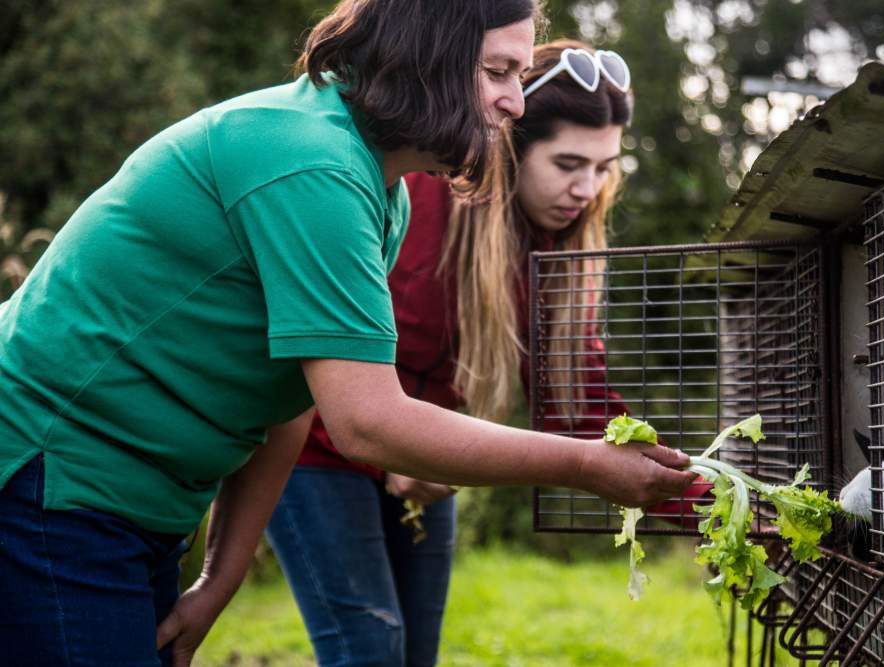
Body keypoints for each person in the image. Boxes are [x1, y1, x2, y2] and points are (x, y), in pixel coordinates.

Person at [0, 2, 695, 665]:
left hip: (134, 507)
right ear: (428, 57)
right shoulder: (316, 164)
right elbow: (364, 421)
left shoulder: (377, 188)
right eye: (498, 72)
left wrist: (219, 578)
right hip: (52, 478)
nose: (515, 102)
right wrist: (582, 465)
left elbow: (290, 400)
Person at [267, 40, 705, 667]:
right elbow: (316, 340)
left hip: (425, 461)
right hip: (314, 446)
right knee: (369, 647)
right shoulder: (417, 202)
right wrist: (393, 445)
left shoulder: (554, 257)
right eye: (569, 163)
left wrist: (716, 514)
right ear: (511, 148)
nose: (587, 188)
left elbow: (583, 408)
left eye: (605, 167)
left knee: (416, 654)